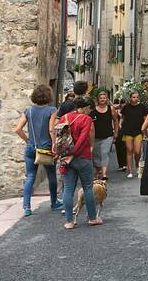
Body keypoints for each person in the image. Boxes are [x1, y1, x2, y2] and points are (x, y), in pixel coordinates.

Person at [15, 84, 62, 216]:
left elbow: (18, 129)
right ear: (48, 96)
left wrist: (28, 141)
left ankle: (27, 207)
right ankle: (54, 202)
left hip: (31, 148)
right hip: (46, 148)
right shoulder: (52, 110)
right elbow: (51, 129)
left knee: (30, 176)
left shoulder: (28, 111)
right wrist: (54, 145)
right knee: (52, 175)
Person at [60, 95, 102, 229]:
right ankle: (92, 218)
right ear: (85, 108)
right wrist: (74, 153)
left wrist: (63, 155)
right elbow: (84, 138)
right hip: (82, 157)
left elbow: (58, 137)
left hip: (65, 158)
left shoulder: (64, 118)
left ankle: (69, 221)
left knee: (67, 189)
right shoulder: (86, 119)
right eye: (90, 109)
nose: (90, 112)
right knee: (88, 188)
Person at [120, 90, 148, 179]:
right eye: (133, 97)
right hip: (128, 130)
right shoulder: (126, 107)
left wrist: (146, 129)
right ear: (130, 98)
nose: (135, 99)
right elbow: (122, 117)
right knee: (129, 150)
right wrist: (121, 125)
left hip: (138, 131)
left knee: (137, 151)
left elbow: (146, 119)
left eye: (137, 97)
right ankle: (130, 170)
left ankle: (137, 164)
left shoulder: (142, 107)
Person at [90, 90, 117, 180]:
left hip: (108, 135)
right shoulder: (93, 110)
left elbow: (115, 120)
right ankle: (98, 171)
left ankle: (104, 174)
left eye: (104, 98)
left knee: (104, 153)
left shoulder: (111, 109)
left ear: (106, 99)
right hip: (95, 137)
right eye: (101, 98)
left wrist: (115, 132)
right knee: (96, 155)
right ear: (98, 99)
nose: (102, 99)